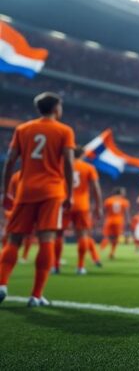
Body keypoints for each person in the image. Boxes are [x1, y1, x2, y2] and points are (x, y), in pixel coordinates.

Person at [0, 92, 75, 307]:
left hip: (25, 190)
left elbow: (10, 162)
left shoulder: (23, 129)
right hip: (51, 191)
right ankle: (36, 295)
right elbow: (69, 164)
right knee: (46, 239)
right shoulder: (64, 130)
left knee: (14, 239)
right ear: (56, 108)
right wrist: (69, 194)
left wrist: (6, 192)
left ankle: (2, 284)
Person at [70, 147, 103, 274]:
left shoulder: (62, 165)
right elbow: (96, 188)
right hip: (82, 205)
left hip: (64, 203)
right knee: (83, 235)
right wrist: (98, 206)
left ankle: (54, 266)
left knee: (57, 235)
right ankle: (80, 266)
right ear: (83, 154)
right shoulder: (88, 167)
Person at [100, 187, 130, 260]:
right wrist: (128, 220)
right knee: (115, 238)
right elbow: (126, 212)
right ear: (120, 192)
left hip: (109, 220)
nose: (124, 193)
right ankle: (112, 253)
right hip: (119, 221)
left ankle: (101, 250)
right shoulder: (124, 201)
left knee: (106, 236)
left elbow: (104, 210)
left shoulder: (108, 200)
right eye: (123, 192)